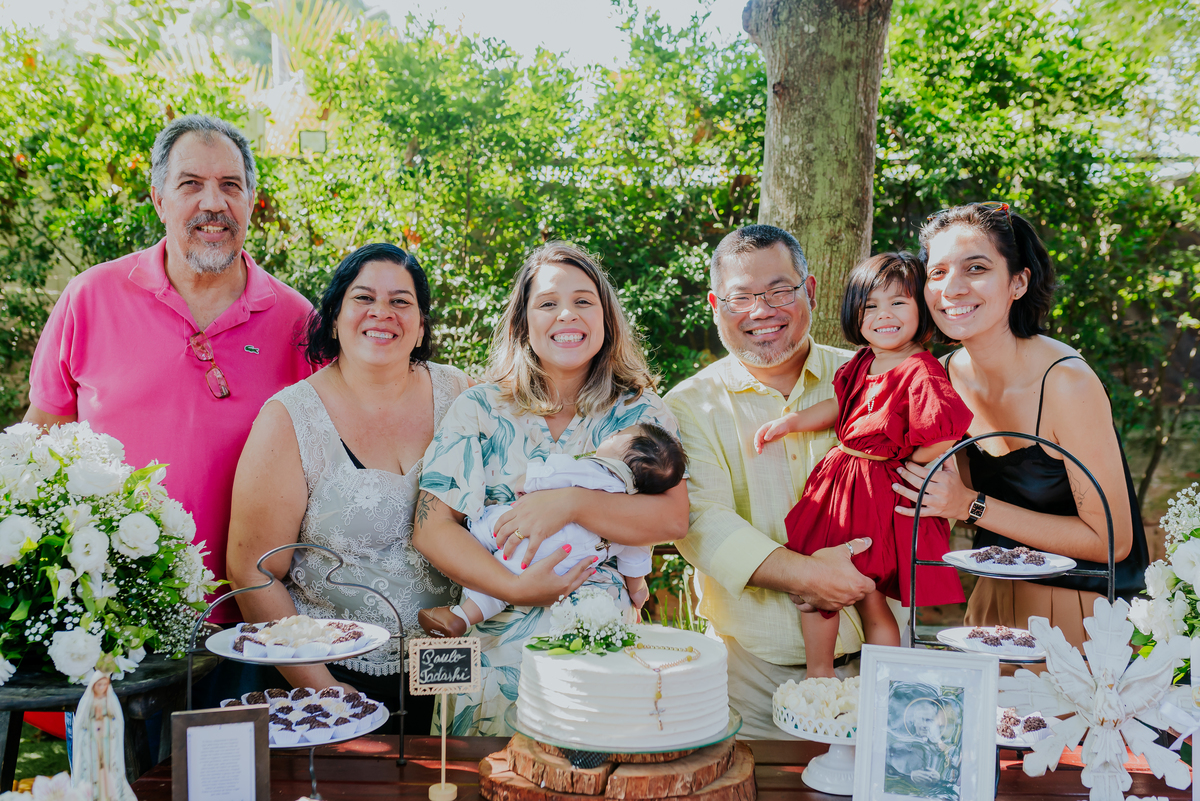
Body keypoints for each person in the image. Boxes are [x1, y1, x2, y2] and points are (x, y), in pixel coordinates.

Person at [25, 115, 314, 704]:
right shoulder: (90, 297)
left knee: (238, 789)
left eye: (231, 185)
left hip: (248, 625)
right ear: (158, 198)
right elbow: (39, 444)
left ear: (252, 201)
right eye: (191, 185)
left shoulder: (297, 322)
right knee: (114, 790)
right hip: (110, 620)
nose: (214, 203)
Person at [413, 241, 688, 736]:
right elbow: (433, 529)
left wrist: (571, 503)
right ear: (523, 323)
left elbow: (671, 520)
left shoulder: (641, 413)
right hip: (489, 643)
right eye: (547, 303)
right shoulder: (479, 408)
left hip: (598, 647)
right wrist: (516, 588)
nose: (568, 314)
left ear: (606, 318)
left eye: (584, 301)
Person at [226, 243, 470, 734]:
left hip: (458, 669)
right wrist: (327, 692)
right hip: (337, 677)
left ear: (422, 324)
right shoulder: (290, 419)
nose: (382, 312)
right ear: (334, 316)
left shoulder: (463, 396)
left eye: (401, 301)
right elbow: (253, 571)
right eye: (364, 298)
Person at [894, 202, 1150, 648]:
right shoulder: (940, 377)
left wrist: (968, 505)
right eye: (937, 273)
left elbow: (1113, 540)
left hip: (1080, 613)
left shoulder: (1066, 383)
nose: (952, 288)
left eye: (975, 268)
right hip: (990, 601)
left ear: (1018, 281)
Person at [664, 224, 876, 739]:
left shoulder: (872, 378)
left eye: (780, 290)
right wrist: (810, 576)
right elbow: (700, 521)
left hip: (882, 658)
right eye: (741, 297)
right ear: (716, 304)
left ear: (812, 289)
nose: (762, 311)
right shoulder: (688, 405)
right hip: (750, 676)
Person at [754, 253, 970, 677]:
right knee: (817, 576)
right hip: (839, 487)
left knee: (869, 593)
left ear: (923, 309)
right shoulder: (864, 361)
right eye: (870, 305)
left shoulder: (920, 370)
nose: (882, 315)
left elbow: (946, 430)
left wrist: (907, 461)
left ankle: (883, 680)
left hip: (876, 492)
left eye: (898, 303)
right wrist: (792, 422)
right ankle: (820, 676)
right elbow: (840, 405)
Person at [417, 422, 687, 637]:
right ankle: (461, 617)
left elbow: (545, 476)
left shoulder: (589, 468)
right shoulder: (633, 514)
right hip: (560, 565)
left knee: (490, 526)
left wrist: (526, 485)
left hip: (520, 530)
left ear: (622, 449)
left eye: (619, 434)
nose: (613, 433)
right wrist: (638, 592)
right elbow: (635, 558)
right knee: (500, 586)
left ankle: (473, 532)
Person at [71, 672, 137, 801]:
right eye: (99, 685)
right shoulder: (87, 703)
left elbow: (118, 723)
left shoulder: (111, 701)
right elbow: (80, 727)